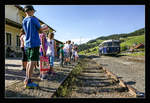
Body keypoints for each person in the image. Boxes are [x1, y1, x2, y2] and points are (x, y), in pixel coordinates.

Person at [22, 5, 46, 88]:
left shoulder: (24, 20)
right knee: (32, 61)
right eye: (33, 11)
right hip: (34, 42)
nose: (33, 12)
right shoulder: (34, 19)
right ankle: (29, 82)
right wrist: (43, 30)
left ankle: (27, 79)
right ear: (30, 11)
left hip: (27, 43)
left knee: (29, 61)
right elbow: (40, 30)